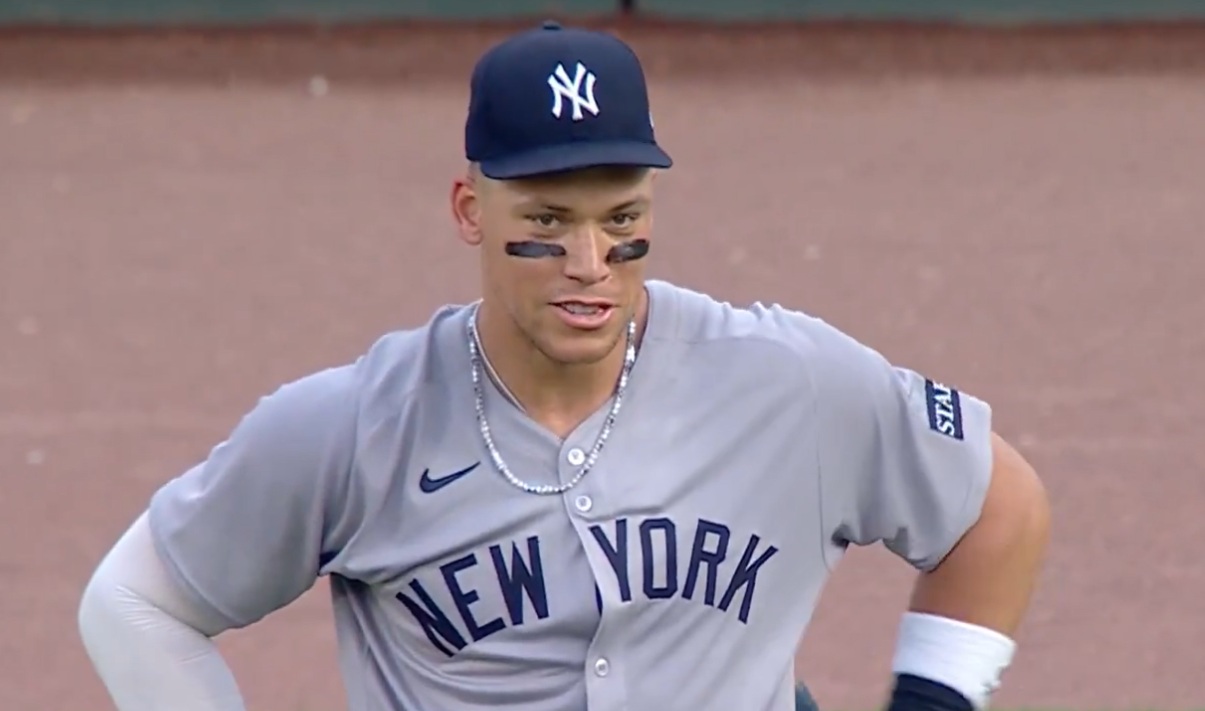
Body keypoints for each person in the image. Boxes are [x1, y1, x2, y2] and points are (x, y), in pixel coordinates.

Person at [77, 20, 1050, 711]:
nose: (589, 266)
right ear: (469, 211)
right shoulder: (352, 427)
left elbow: (995, 506)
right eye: (545, 223)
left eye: (619, 220)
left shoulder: (782, 382)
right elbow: (135, 603)